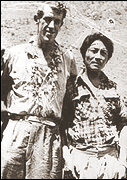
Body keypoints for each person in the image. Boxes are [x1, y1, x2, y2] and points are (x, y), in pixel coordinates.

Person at [1, 2, 77, 179]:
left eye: (57, 21)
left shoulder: (68, 59)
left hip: (49, 135)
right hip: (16, 131)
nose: (51, 26)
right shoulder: (14, 54)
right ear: (37, 19)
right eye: (47, 19)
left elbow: (71, 102)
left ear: (61, 24)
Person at [62, 32, 127, 179]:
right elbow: (62, 124)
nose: (98, 57)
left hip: (110, 161)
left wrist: (123, 163)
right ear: (84, 53)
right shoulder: (71, 87)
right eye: (93, 50)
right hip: (80, 160)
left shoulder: (114, 88)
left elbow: (123, 125)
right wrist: (67, 156)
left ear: (107, 59)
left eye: (103, 53)